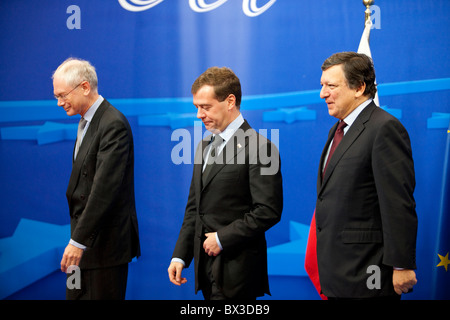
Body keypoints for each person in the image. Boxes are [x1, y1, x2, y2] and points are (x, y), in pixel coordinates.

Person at [305, 52, 418, 299]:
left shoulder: (384, 128)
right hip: (337, 272)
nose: (322, 94)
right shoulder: (337, 130)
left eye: (331, 86)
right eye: (322, 85)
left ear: (359, 87)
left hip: (368, 272)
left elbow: (397, 202)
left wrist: (401, 265)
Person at [167, 67, 283, 300]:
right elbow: (194, 209)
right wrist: (180, 256)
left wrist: (222, 238)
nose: (199, 114)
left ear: (230, 101)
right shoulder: (203, 146)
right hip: (206, 271)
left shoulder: (261, 147)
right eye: (196, 107)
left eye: (206, 107)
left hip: (238, 272)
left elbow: (268, 211)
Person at [52, 58, 140, 300]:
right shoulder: (86, 123)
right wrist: (76, 241)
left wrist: (78, 242)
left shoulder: (112, 124)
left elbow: (104, 190)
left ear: (84, 87)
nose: (59, 103)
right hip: (80, 248)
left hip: (102, 249)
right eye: (56, 96)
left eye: (62, 95)